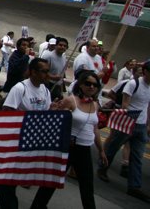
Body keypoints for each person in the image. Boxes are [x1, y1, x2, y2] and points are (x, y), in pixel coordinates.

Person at [0, 58, 53, 209]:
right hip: (15, 139)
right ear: (33, 72)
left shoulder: (45, 91)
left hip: (31, 140)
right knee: (11, 176)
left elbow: (46, 113)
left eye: (48, 71)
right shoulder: (20, 89)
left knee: (14, 172)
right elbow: (7, 113)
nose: (47, 75)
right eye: (44, 71)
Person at [33, 71, 106, 209]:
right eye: (88, 83)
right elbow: (56, 122)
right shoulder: (70, 101)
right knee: (51, 182)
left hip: (84, 149)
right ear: (80, 85)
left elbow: (95, 129)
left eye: (95, 85)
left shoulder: (95, 105)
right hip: (67, 148)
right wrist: (53, 111)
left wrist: (101, 151)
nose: (91, 87)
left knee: (87, 186)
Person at [98, 60, 150, 202]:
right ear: (145, 71)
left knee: (137, 157)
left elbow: (148, 106)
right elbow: (125, 104)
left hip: (141, 126)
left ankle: (134, 186)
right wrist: (128, 114)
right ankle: (102, 169)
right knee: (113, 148)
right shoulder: (133, 84)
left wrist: (147, 124)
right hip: (128, 122)